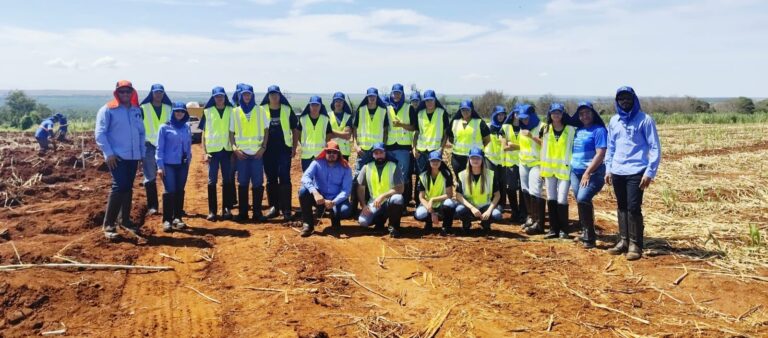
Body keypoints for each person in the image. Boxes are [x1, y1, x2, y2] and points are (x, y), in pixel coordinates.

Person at [605, 86, 661, 260]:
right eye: (621, 98)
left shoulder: (645, 120)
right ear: (617, 101)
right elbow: (610, 147)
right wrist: (608, 168)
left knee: (633, 207)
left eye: (628, 98)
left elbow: (654, 147)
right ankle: (624, 241)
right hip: (617, 170)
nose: (624, 101)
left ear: (634, 99)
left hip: (637, 171)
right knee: (621, 206)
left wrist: (649, 172)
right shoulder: (614, 121)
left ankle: (635, 244)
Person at [94, 80, 145, 241]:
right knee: (119, 186)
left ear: (132, 93)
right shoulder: (108, 109)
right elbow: (100, 134)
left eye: (127, 91)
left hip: (133, 156)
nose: (125, 94)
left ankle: (125, 220)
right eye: (121, 91)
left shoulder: (136, 110)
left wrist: (141, 154)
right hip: (117, 157)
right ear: (116, 93)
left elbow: (141, 132)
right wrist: (109, 154)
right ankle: (109, 224)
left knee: (128, 187)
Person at [229, 84, 270, 222]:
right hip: (242, 155)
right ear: (240, 96)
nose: (246, 96)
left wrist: (263, 147)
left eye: (249, 94)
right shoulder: (235, 112)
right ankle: (243, 213)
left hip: (257, 153)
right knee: (243, 183)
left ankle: (257, 213)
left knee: (258, 183)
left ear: (252, 95)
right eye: (244, 94)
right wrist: (235, 149)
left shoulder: (260, 110)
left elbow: (266, 130)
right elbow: (231, 132)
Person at [570, 101, 607, 249]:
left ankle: (589, 238)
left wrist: (587, 172)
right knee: (581, 201)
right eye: (581, 114)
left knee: (583, 198)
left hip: (593, 173)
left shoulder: (599, 130)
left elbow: (601, 153)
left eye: (587, 113)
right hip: (575, 172)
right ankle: (586, 230)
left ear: (593, 114)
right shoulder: (578, 130)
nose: (584, 116)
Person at [260, 85, 299, 221]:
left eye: (276, 94)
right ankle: (274, 208)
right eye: (271, 94)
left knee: (285, 178)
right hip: (267, 150)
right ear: (268, 96)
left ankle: (286, 209)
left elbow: (295, 129)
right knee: (271, 179)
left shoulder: (287, 109)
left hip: (284, 149)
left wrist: (294, 147)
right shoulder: (261, 109)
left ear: (280, 95)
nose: (274, 96)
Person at [298, 141, 353, 237]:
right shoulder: (316, 163)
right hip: (320, 198)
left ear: (338, 154)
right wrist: (315, 193)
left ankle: (335, 218)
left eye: (334, 152)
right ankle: (308, 224)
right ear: (325, 152)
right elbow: (305, 177)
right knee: (303, 192)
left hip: (336, 199)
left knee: (345, 211)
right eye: (329, 152)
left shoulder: (345, 168)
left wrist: (334, 202)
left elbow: (346, 191)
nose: (331, 154)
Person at [540, 103, 577, 239]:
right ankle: (553, 229)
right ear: (550, 114)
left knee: (562, 199)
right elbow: (543, 149)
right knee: (551, 198)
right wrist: (542, 169)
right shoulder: (545, 129)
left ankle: (564, 230)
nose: (556, 115)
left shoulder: (570, 130)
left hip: (564, 170)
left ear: (563, 114)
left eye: (559, 112)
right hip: (548, 169)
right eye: (554, 112)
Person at [351, 88, 389, 214]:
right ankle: (353, 206)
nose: (372, 98)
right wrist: (356, 145)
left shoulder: (383, 111)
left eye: (374, 96)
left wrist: (383, 146)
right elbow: (354, 128)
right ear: (367, 97)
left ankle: (371, 204)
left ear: (377, 97)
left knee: (373, 177)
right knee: (358, 178)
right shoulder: (361, 110)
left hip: (376, 152)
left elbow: (385, 129)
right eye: (370, 96)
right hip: (362, 150)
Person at [200, 86, 235, 221]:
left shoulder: (231, 110)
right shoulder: (207, 111)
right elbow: (204, 133)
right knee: (212, 181)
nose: (219, 98)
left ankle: (227, 209)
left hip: (227, 151)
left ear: (225, 97)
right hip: (213, 153)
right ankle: (212, 211)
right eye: (217, 96)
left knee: (227, 180)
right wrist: (204, 152)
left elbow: (235, 131)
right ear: (213, 98)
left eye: (221, 96)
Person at [156, 102, 192, 232]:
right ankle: (167, 220)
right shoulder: (164, 127)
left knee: (179, 190)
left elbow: (188, 145)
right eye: (177, 111)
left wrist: (189, 160)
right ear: (173, 112)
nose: (179, 113)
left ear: (185, 113)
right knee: (170, 190)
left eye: (182, 111)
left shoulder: (186, 127)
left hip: (182, 164)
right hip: (168, 165)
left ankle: (177, 218)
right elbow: (159, 148)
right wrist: (160, 166)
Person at [356, 142, 405, 238]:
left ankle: (393, 226)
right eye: (376, 153)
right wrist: (363, 205)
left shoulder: (394, 166)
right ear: (373, 155)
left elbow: (400, 189)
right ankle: (380, 220)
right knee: (363, 222)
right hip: (374, 202)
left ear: (385, 153)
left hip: (389, 200)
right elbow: (360, 187)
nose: (379, 155)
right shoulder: (367, 167)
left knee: (398, 198)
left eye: (381, 152)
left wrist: (383, 196)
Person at [139, 84, 172, 216]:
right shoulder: (143, 108)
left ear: (163, 94)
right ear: (151, 93)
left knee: (167, 176)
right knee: (150, 177)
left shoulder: (168, 108)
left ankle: (170, 206)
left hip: (166, 147)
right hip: (149, 146)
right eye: (156, 92)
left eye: (160, 92)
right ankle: (152, 206)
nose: (158, 94)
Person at [454, 147, 503, 234]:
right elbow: (458, 195)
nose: (475, 160)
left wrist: (489, 211)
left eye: (478, 158)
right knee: (459, 210)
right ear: (469, 159)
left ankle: (485, 222)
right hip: (469, 207)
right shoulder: (462, 175)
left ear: (482, 160)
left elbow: (497, 195)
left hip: (485, 206)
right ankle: (466, 222)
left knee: (496, 214)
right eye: (473, 158)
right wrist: (472, 208)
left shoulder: (490, 174)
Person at [385, 84, 417, 208]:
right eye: (394, 93)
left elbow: (414, 127)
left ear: (402, 94)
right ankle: (391, 201)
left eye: (399, 93)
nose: (396, 95)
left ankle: (403, 203)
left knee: (403, 176)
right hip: (390, 146)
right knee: (391, 175)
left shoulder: (409, 108)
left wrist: (401, 125)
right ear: (391, 94)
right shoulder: (387, 108)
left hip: (404, 147)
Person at [517, 104, 547, 235]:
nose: (524, 121)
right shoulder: (521, 128)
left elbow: (547, 145)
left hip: (537, 163)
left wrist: (531, 136)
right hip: (524, 162)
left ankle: (539, 224)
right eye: (522, 118)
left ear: (533, 116)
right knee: (525, 189)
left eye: (526, 118)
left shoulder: (542, 127)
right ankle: (531, 218)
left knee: (535, 191)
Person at [414, 150, 456, 236]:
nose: (435, 162)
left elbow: (449, 194)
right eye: (433, 160)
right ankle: (429, 223)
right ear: (429, 162)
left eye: (437, 160)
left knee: (450, 203)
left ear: (441, 162)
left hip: (441, 204)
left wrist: (433, 199)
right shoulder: (423, 176)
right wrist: (432, 212)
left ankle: (446, 227)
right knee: (419, 214)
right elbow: (421, 197)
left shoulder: (446, 174)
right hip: (428, 204)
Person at [412, 90, 449, 176]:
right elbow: (416, 132)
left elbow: (446, 134)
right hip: (421, 151)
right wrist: (414, 148)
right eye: (427, 100)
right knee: (421, 176)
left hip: (435, 150)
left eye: (431, 100)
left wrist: (441, 149)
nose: (429, 103)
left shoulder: (442, 113)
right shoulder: (420, 114)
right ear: (424, 102)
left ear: (435, 100)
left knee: (435, 176)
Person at [447, 100, 490, 174]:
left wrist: (478, 148)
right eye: (463, 110)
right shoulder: (454, 122)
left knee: (474, 178)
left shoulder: (480, 123)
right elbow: (451, 138)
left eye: (467, 109)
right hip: (457, 157)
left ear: (472, 110)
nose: (465, 112)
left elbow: (487, 139)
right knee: (459, 178)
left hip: (474, 156)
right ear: (460, 110)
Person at [501, 105, 526, 223]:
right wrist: (519, 147)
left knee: (523, 188)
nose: (518, 115)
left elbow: (528, 147)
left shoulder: (525, 127)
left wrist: (513, 145)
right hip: (510, 163)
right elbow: (504, 147)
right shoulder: (505, 127)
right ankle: (514, 211)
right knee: (510, 188)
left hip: (523, 161)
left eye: (520, 113)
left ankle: (523, 213)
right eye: (516, 113)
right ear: (513, 114)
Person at [297, 95, 333, 171]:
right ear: (309, 106)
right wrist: (303, 143)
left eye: (317, 105)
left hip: (320, 154)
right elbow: (298, 133)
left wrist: (325, 144)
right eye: (312, 105)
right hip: (306, 154)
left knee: (320, 175)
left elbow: (329, 134)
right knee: (307, 175)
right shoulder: (303, 119)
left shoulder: (325, 119)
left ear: (321, 106)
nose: (315, 107)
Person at [485, 105, 508, 212]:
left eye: (502, 114)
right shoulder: (488, 126)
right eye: (498, 114)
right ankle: (491, 202)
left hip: (503, 159)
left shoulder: (507, 127)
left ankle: (502, 204)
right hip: (490, 158)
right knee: (492, 181)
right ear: (494, 115)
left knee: (502, 182)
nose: (500, 117)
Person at [328, 92, 354, 161]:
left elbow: (347, 136)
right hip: (331, 150)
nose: (338, 103)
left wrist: (331, 131)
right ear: (333, 102)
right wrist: (342, 134)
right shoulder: (328, 116)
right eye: (336, 101)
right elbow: (327, 135)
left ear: (344, 103)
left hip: (344, 152)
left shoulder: (348, 116)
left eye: (340, 101)